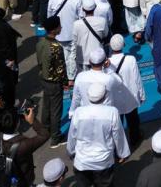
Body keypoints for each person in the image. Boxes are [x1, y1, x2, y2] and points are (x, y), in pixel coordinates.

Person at [67, 83, 130, 186]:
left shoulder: (79, 112)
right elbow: (118, 135)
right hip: (103, 161)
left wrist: (71, 151)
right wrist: (122, 153)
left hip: (82, 161)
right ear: (105, 96)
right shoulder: (112, 112)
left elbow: (72, 135)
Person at [35, 15, 68, 148]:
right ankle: (55, 138)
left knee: (47, 105)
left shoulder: (40, 43)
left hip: (44, 78)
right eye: (59, 26)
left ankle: (45, 129)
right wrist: (65, 82)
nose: (61, 27)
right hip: (55, 83)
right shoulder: (56, 47)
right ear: (54, 30)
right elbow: (60, 68)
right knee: (56, 110)